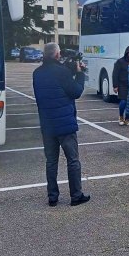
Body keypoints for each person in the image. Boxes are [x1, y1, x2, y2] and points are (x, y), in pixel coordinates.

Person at [32, 42, 90, 207]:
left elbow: (54, 82)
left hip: (47, 124)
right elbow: (76, 91)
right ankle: (76, 195)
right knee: (73, 160)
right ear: (57, 55)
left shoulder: (37, 73)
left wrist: (69, 69)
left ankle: (52, 196)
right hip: (65, 124)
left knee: (51, 161)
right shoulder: (62, 72)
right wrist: (79, 73)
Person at [113, 45, 129, 126]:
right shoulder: (120, 62)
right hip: (122, 84)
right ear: (126, 53)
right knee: (123, 101)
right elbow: (115, 74)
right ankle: (121, 116)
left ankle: (127, 118)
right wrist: (115, 86)